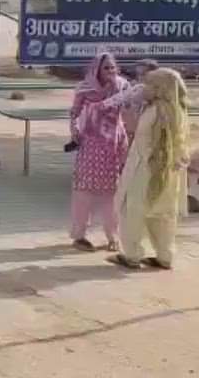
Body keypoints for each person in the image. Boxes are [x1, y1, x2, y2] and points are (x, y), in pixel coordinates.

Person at [109, 69, 190, 270]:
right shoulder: (178, 110)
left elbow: (141, 136)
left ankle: (132, 255)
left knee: (133, 210)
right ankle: (165, 256)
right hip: (169, 170)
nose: (144, 87)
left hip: (146, 168)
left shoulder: (155, 111)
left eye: (149, 84)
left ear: (160, 89)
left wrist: (130, 103)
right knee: (162, 214)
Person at [68, 53, 131, 252]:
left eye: (113, 67)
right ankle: (79, 236)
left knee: (111, 192)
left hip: (114, 143)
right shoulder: (86, 88)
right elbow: (74, 114)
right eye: (106, 68)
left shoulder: (123, 87)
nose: (111, 72)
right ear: (96, 70)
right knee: (84, 191)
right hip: (91, 145)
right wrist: (75, 131)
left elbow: (131, 106)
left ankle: (113, 236)